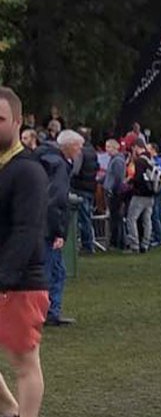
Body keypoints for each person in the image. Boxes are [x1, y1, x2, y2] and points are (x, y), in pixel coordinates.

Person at [0, 87, 50, 417]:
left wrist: (4, 278)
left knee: (24, 363)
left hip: (20, 283)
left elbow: (27, 231)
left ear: (17, 122)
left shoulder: (28, 171)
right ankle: (8, 410)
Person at [35, 131, 84, 327]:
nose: (80, 151)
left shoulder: (44, 160)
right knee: (54, 271)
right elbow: (57, 200)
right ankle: (48, 311)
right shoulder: (59, 167)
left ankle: (47, 310)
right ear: (69, 146)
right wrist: (58, 231)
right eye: (78, 146)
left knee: (51, 269)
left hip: (37, 223)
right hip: (48, 226)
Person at [125, 140, 156, 254]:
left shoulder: (139, 161)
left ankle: (134, 245)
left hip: (139, 194)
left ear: (137, 147)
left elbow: (138, 178)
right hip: (151, 194)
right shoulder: (151, 160)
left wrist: (130, 181)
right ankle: (145, 244)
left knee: (131, 219)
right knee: (147, 220)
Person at [103, 139, 127, 249]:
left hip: (114, 193)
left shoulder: (117, 161)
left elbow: (118, 177)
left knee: (116, 218)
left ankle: (117, 242)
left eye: (108, 147)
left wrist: (114, 190)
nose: (106, 150)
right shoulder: (113, 160)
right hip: (111, 190)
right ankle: (117, 241)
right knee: (115, 217)